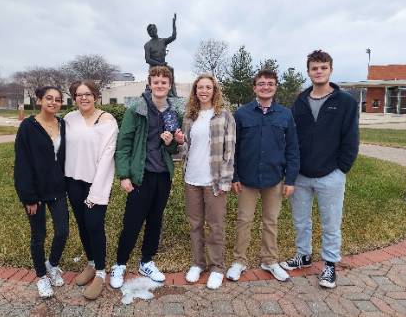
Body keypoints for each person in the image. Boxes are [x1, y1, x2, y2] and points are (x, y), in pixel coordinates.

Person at [280, 50, 359, 289]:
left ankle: (330, 265)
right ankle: (303, 256)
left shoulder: (345, 102)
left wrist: (341, 169)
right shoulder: (300, 101)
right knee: (301, 221)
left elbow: (351, 139)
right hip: (302, 175)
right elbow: (292, 138)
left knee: (330, 222)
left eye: (323, 67)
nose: (319, 71)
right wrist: (291, 170)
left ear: (330, 70)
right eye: (314, 68)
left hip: (331, 175)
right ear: (308, 72)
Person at [109, 66, 181, 289]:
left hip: (163, 175)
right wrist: (123, 175)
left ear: (169, 85)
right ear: (150, 84)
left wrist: (171, 142)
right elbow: (124, 145)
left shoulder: (172, 112)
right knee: (132, 221)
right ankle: (120, 263)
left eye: (164, 82)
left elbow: (171, 151)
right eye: (156, 81)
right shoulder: (136, 109)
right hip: (140, 175)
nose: (160, 85)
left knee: (155, 220)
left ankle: (146, 262)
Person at [226, 70, 299, 283]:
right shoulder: (241, 114)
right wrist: (234, 176)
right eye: (261, 83)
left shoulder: (285, 115)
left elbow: (293, 148)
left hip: (274, 179)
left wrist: (291, 179)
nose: (265, 87)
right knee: (244, 220)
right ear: (254, 88)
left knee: (271, 221)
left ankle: (269, 260)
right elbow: (234, 149)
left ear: (276, 86)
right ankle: (239, 261)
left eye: (270, 83)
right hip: (246, 179)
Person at [176, 74, 235, 290]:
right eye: (200, 87)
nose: (203, 91)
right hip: (192, 178)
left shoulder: (224, 115)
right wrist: (181, 143)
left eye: (208, 87)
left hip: (215, 180)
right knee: (195, 224)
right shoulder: (190, 116)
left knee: (216, 225)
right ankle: (198, 263)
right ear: (195, 91)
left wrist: (225, 181)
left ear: (214, 90)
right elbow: (186, 149)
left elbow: (230, 151)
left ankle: (217, 267)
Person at [64, 80, 118, 300]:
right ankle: (91, 263)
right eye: (78, 95)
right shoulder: (69, 119)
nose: (83, 98)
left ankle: (101, 274)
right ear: (74, 98)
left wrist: (97, 191)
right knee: (83, 225)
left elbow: (107, 157)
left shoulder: (107, 120)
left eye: (87, 94)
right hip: (73, 181)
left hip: (96, 182)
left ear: (95, 96)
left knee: (95, 225)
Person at [14, 86, 69, 298]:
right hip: (35, 192)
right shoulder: (28, 126)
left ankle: (52, 264)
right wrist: (28, 196)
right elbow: (22, 163)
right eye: (48, 98)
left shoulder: (62, 124)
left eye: (57, 99)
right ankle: (41, 277)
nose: (53, 102)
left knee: (63, 231)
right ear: (39, 100)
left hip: (58, 188)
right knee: (39, 235)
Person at [144, 14, 178, 96]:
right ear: (149, 33)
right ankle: (152, 91)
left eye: (153, 29)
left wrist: (174, 25)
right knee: (161, 73)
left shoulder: (163, 41)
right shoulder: (147, 45)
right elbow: (147, 59)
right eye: (150, 30)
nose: (152, 31)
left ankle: (173, 92)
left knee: (171, 70)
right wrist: (160, 64)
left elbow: (173, 37)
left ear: (156, 29)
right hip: (154, 66)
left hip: (163, 65)